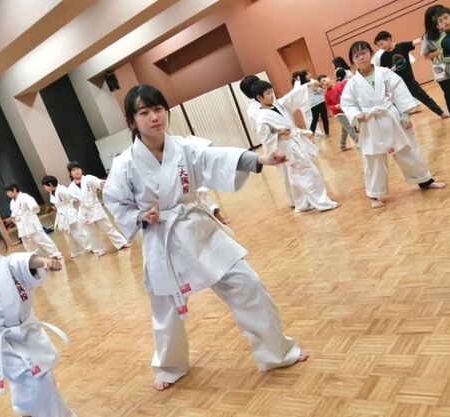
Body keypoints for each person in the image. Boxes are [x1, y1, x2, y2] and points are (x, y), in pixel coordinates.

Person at [103, 84, 309, 391]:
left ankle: (276, 352)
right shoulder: (124, 164)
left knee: (247, 283)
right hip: (161, 239)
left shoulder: (184, 147)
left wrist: (259, 160)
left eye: (158, 109)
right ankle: (169, 367)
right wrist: (139, 216)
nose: (154, 117)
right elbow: (115, 202)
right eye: (144, 112)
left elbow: (216, 157)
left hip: (197, 229)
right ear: (132, 121)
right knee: (166, 310)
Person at [0, 218, 75, 416]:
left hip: (29, 333)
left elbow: (27, 261)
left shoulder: (10, 263)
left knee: (38, 380)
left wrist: (46, 262)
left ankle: (24, 409)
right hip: (4, 343)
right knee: (36, 381)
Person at [341, 41, 447, 209]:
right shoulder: (352, 84)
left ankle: (425, 181)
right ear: (352, 61)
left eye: (364, 52)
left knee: (407, 150)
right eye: (357, 55)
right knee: (373, 159)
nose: (361, 57)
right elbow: (347, 104)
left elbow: (400, 92)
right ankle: (373, 194)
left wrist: (405, 114)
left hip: (391, 116)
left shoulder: (385, 73)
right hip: (369, 122)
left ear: (370, 53)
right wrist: (356, 115)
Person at [250, 78, 339, 212]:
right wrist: (279, 134)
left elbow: (292, 97)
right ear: (259, 98)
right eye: (267, 93)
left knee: (296, 175)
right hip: (287, 147)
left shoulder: (279, 105)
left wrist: (309, 86)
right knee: (309, 173)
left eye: (271, 92)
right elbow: (266, 138)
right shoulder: (261, 117)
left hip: (295, 142)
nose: (271, 95)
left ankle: (303, 204)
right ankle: (323, 203)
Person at [240, 74, 294, 207]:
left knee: (292, 169)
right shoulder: (255, 109)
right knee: (285, 172)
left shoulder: (267, 103)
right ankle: (294, 200)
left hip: (284, 138)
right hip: (274, 142)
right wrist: (277, 131)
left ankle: (299, 197)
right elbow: (259, 128)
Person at [375, 30, 450, 118]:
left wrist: (428, 36)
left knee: (425, 98)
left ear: (389, 39)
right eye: (379, 46)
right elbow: (383, 72)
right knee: (397, 106)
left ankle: (441, 113)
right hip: (396, 85)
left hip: (410, 81)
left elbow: (416, 41)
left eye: (382, 44)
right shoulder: (383, 57)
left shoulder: (402, 47)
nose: (381, 47)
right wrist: (391, 70)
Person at [67, 162, 130, 256]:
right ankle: (98, 250)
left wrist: (102, 183)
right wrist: (74, 202)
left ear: (81, 169)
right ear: (70, 173)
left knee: (108, 227)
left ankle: (121, 243)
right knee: (91, 233)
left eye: (78, 169)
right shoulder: (71, 187)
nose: (77, 171)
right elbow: (71, 200)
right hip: (84, 212)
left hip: (95, 208)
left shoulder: (88, 178)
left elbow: (98, 182)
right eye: (73, 170)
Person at [4, 183, 62, 259]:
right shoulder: (12, 202)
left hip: (31, 222)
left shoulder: (25, 197)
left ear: (14, 189)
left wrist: (34, 208)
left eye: (8, 192)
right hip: (22, 226)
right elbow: (14, 214)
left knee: (42, 239)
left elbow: (34, 207)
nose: (8, 194)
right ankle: (38, 258)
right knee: (28, 244)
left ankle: (55, 253)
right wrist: (15, 221)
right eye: (6, 192)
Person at [41, 176, 90, 258]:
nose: (44, 188)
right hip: (62, 215)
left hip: (69, 214)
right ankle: (76, 252)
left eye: (45, 186)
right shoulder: (52, 192)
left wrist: (75, 201)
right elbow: (58, 203)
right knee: (68, 235)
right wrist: (56, 208)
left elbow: (73, 197)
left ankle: (90, 246)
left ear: (50, 184)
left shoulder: (62, 189)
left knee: (78, 232)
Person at [421, 5, 450, 113]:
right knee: (449, 94)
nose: (443, 19)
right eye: (438, 17)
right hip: (442, 70)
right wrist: (441, 50)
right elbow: (426, 55)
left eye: (445, 16)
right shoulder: (428, 36)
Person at [319, 74, 359, 151]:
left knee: (345, 129)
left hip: (346, 110)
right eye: (322, 84)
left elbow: (347, 83)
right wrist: (335, 106)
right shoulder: (326, 94)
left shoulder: (339, 85)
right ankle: (360, 142)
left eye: (324, 80)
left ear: (328, 78)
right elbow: (328, 105)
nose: (324, 83)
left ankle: (342, 146)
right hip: (339, 114)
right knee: (350, 128)